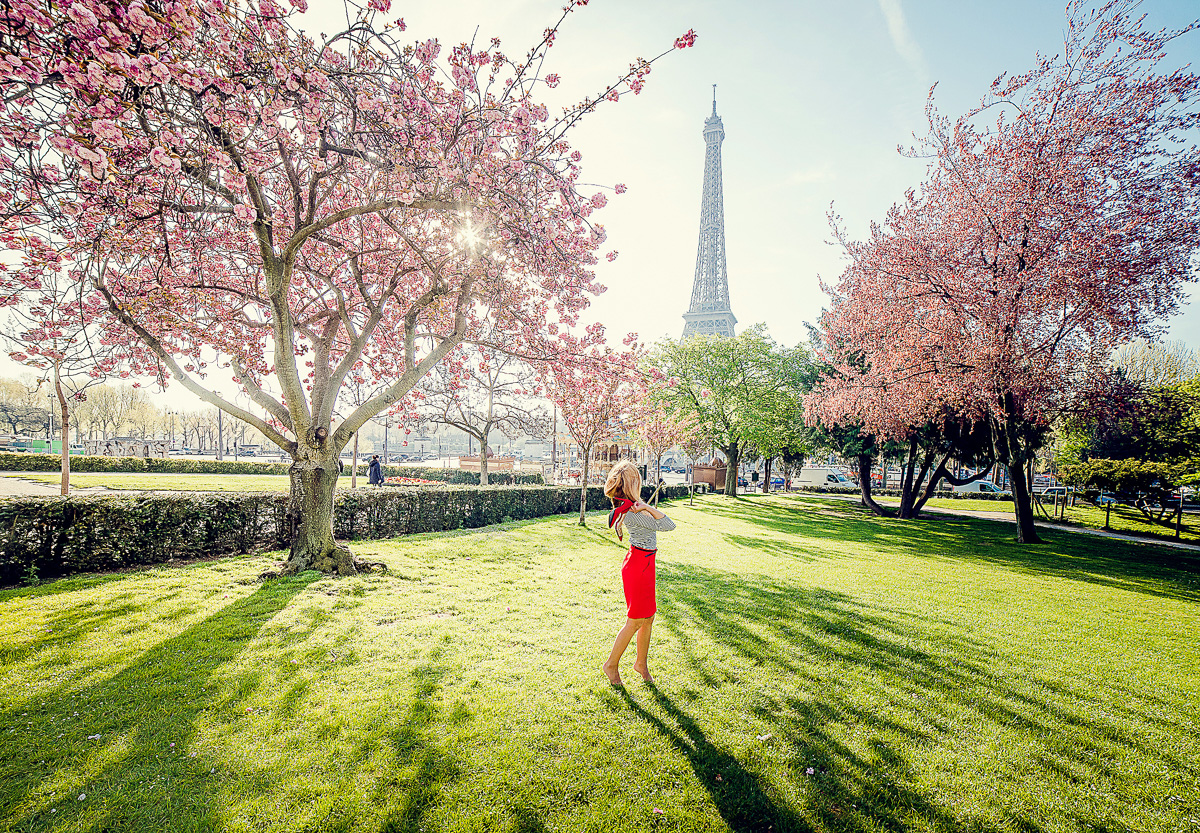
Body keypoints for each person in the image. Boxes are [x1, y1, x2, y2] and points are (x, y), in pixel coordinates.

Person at [602, 460, 675, 686]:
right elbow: (668, 525)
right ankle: (611, 665)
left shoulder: (632, 507)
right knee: (635, 621)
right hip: (637, 565)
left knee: (648, 618)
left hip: (645, 563)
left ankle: (640, 664)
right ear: (632, 484)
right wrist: (647, 507)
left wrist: (642, 505)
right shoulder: (632, 512)